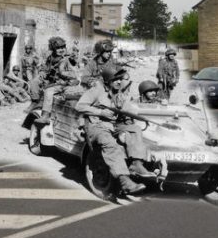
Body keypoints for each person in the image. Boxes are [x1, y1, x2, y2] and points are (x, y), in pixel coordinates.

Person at [76, 66, 154, 194]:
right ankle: (124, 181)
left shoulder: (119, 94)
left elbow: (129, 109)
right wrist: (101, 112)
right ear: (108, 81)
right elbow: (80, 106)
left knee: (135, 129)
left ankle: (136, 164)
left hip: (113, 126)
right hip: (96, 125)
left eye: (120, 79)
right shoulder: (96, 90)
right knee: (110, 144)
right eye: (115, 79)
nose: (119, 82)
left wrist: (142, 117)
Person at [35, 36, 79, 125]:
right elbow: (45, 68)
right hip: (56, 84)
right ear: (53, 49)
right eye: (58, 48)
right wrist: (42, 72)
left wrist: (73, 57)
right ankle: (44, 114)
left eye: (63, 47)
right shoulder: (50, 58)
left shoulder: (67, 58)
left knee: (50, 92)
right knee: (46, 90)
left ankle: (46, 116)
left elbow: (73, 64)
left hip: (68, 83)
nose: (61, 50)